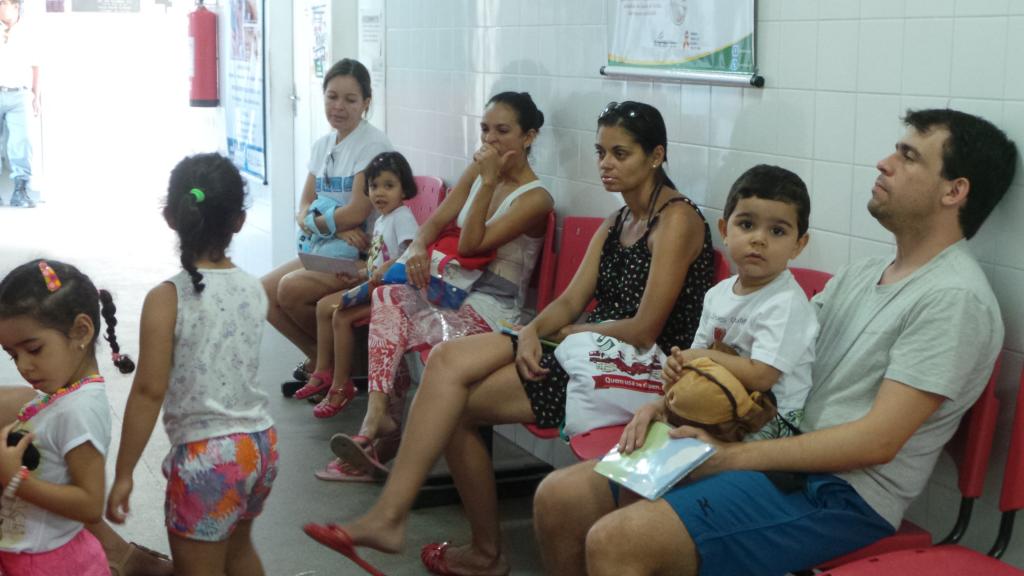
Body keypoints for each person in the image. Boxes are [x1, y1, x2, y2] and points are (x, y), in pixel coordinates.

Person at [532, 108, 1018, 576]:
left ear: (954, 190)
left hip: (839, 493)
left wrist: (726, 458)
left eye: (908, 157)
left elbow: (878, 441)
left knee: (618, 540)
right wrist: (661, 408)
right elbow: (764, 365)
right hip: (770, 449)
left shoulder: (954, 300)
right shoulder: (864, 273)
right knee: (560, 498)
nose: (884, 163)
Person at [304, 100, 715, 575]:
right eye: (601, 152)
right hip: (587, 350)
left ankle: (458, 542)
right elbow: (569, 299)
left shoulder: (677, 220)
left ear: (656, 156)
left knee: (457, 401)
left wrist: (561, 333)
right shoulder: (617, 222)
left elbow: (645, 328)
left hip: (638, 368)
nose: (605, 164)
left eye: (620, 154)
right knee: (448, 367)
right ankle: (398, 520)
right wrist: (536, 330)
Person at [319, 91, 555, 483]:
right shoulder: (477, 172)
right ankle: (377, 419)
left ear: (528, 137)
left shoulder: (536, 198)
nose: (490, 140)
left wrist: (488, 180)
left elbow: (472, 244)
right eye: (485, 129)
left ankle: (382, 437)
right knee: (387, 297)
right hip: (454, 294)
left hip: (493, 312)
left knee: (393, 328)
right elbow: (434, 223)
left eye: (502, 131)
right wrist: (418, 249)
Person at [106, 153, 278, 575]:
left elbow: (149, 391)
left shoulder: (167, 298)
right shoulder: (253, 288)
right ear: (239, 221)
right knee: (239, 551)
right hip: (259, 446)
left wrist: (124, 472)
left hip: (209, 457)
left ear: (171, 217)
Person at [662, 164, 818, 441]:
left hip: (771, 418)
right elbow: (697, 354)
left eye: (777, 231)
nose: (759, 239)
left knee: (687, 452)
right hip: (722, 402)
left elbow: (761, 376)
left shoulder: (786, 303)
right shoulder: (717, 294)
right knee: (659, 432)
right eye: (746, 225)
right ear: (725, 230)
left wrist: (699, 358)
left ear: (798, 244)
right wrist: (678, 367)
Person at [262, 58, 391, 390]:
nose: (339, 107)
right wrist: (334, 225)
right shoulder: (323, 145)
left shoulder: (373, 145)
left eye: (350, 99)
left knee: (290, 289)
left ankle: (339, 365)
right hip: (329, 247)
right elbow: (303, 207)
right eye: (332, 97)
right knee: (262, 293)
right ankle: (322, 361)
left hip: (363, 258)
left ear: (366, 102)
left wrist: (320, 221)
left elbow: (358, 212)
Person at [0, 259, 135, 575]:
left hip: (48, 564)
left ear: (81, 331)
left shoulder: (79, 410)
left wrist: (15, 480)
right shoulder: (60, 395)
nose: (23, 366)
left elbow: (90, 504)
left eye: (34, 349)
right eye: (12, 355)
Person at [309, 151, 420, 420]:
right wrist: (359, 275)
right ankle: (330, 378)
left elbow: (412, 255)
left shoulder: (402, 217)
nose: (379, 192)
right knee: (334, 311)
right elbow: (376, 264)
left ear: (404, 189)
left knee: (342, 317)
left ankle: (339, 386)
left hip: (398, 296)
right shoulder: (382, 220)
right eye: (373, 186)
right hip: (378, 290)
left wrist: (385, 268)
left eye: (388, 185)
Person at [0, 0, 40, 208]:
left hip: (20, 94)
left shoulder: (28, 32)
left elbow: (36, 66)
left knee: (22, 143)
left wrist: (35, 95)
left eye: (3, 3)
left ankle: (20, 191)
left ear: (15, 7)